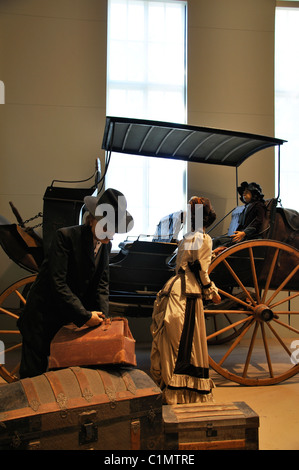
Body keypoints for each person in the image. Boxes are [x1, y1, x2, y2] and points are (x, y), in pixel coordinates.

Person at [17, 188, 133, 378]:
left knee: (61, 376)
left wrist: (102, 315)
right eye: (105, 227)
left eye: (113, 229)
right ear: (92, 220)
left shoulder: (106, 245)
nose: (109, 235)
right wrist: (85, 316)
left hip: (68, 318)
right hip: (43, 316)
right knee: (32, 376)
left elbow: (102, 284)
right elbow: (58, 283)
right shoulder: (66, 237)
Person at [150, 196, 221, 404]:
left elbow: (189, 262)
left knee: (172, 341)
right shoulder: (205, 239)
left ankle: (169, 386)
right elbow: (200, 269)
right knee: (185, 343)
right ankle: (184, 392)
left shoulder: (187, 237)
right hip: (189, 295)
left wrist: (211, 255)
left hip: (174, 287)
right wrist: (212, 292)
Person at [213, 181, 266, 251]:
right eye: (243, 192)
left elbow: (258, 221)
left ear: (254, 194)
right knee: (215, 240)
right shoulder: (247, 207)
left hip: (250, 237)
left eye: (247, 192)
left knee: (221, 244)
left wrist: (244, 233)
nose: (244, 194)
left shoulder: (259, 206)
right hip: (241, 235)